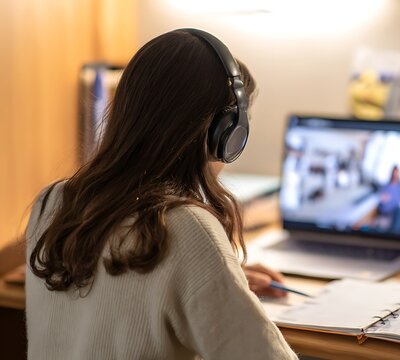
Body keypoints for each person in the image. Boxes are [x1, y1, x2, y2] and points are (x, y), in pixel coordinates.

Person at [25, 29, 297, 359]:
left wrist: (220, 282)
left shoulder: (51, 202)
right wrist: (212, 275)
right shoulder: (185, 228)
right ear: (224, 136)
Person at [372, 165, 400, 233]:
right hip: (386, 210)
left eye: (397, 173)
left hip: (396, 210)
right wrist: (382, 198)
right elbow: (380, 197)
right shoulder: (386, 186)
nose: (395, 175)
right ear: (392, 173)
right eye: (394, 172)